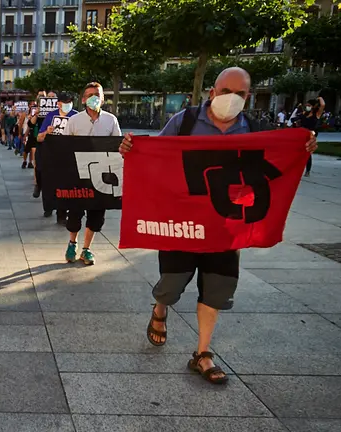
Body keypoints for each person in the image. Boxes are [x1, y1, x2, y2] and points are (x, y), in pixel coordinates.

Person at [120, 67, 318, 385]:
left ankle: (202, 353)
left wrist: (301, 147)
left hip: (226, 230)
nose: (231, 99)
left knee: (216, 290)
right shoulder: (183, 122)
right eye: (226, 91)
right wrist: (131, 149)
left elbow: (276, 162)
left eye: (239, 94)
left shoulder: (255, 130)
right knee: (172, 283)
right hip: (182, 226)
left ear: (248, 97)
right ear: (212, 92)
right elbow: (155, 156)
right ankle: (160, 308)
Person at [63, 82, 121, 266]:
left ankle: (86, 249)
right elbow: (63, 146)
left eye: (97, 94)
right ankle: (72, 243)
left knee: (96, 215)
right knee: (74, 213)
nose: (93, 97)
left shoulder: (111, 120)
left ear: (103, 98)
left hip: (101, 176)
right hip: (78, 176)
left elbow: (117, 146)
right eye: (89, 95)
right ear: (83, 99)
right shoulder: (74, 121)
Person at [36, 92, 77, 222]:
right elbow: (39, 138)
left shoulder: (76, 116)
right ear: (59, 103)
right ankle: (48, 207)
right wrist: (47, 132)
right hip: (51, 156)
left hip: (68, 157)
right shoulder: (50, 116)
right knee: (49, 184)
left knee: (65, 185)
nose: (68, 105)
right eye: (65, 102)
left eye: (70, 102)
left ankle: (62, 214)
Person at [299, 97, 324, 177]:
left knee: (307, 152)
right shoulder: (304, 113)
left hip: (310, 135)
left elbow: (323, 104)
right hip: (302, 134)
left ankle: (308, 170)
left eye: (309, 105)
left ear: (313, 106)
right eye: (306, 105)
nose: (307, 106)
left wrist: (319, 98)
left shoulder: (316, 114)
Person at [22, 101, 39, 169]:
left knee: (33, 150)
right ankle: (25, 161)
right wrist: (25, 135)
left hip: (36, 135)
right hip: (31, 134)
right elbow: (29, 126)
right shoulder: (28, 115)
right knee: (26, 150)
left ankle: (30, 162)